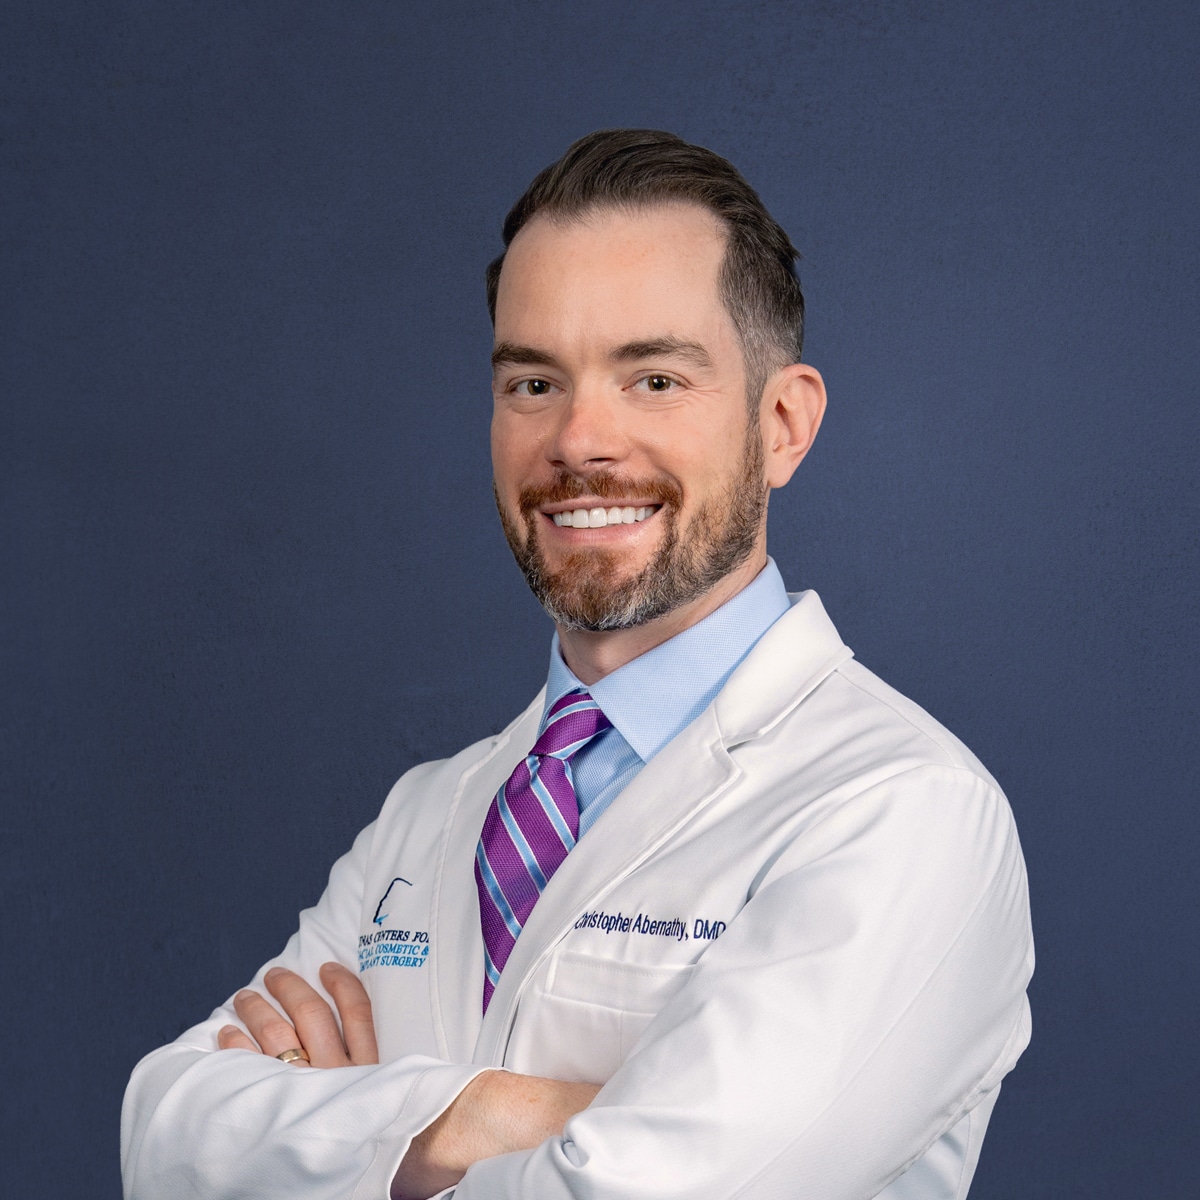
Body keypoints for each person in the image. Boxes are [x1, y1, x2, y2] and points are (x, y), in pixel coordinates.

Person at [121, 129, 1033, 1200]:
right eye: (532, 384)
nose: (580, 441)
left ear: (782, 424)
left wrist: (349, 1143)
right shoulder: (429, 817)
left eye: (652, 378)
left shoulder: (901, 813)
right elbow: (166, 1131)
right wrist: (501, 1112)